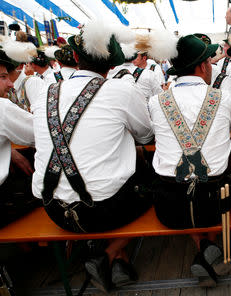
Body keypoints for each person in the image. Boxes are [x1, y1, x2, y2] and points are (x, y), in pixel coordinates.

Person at [29, 20, 154, 291]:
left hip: (54, 209)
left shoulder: (45, 92)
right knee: (154, 182)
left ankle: (119, 262)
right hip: (104, 211)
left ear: (74, 57)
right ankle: (109, 256)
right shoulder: (121, 88)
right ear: (112, 64)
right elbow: (146, 136)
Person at [147, 34, 231, 287]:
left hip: (170, 207)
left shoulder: (156, 101)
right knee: (218, 178)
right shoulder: (224, 98)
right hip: (217, 204)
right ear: (204, 66)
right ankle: (209, 246)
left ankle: (204, 247)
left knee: (182, 190)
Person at [0, 49, 39, 228]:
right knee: (53, 187)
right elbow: (43, 133)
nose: (10, 84)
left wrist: (11, 151)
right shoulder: (2, 107)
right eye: (2, 77)